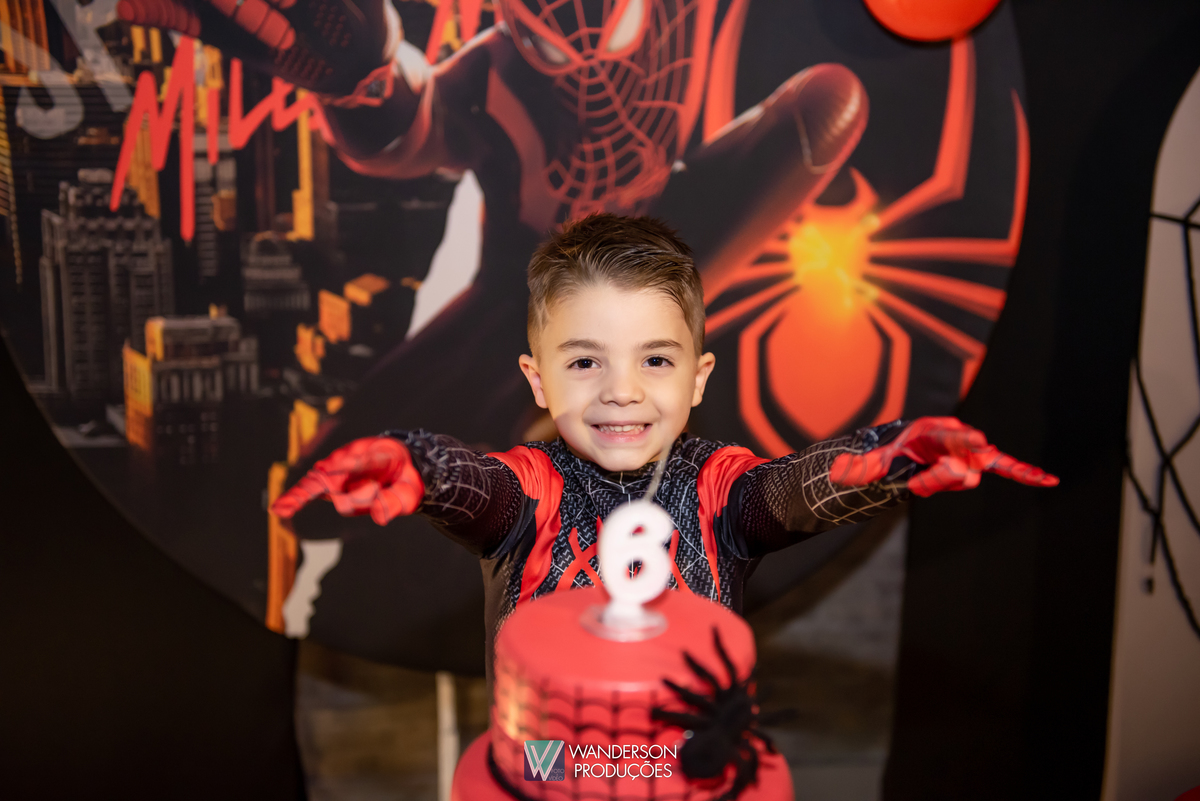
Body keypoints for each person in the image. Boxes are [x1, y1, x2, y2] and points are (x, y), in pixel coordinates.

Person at [272, 214, 1057, 673]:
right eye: (585, 362)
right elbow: (478, 485)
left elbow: (796, 488)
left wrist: (891, 456)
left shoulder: (719, 486)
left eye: (655, 360)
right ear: (537, 380)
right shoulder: (531, 486)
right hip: (542, 780)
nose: (622, 390)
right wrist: (418, 464)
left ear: (699, 376)